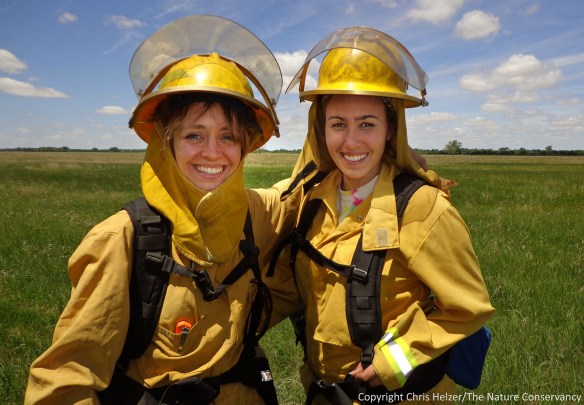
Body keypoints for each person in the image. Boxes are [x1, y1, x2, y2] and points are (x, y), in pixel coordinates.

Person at [24, 15, 302, 405]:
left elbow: (305, 186)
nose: (212, 152)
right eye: (194, 135)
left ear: (245, 146)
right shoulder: (122, 239)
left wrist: (394, 165)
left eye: (227, 136)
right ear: (165, 142)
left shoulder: (254, 211)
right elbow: (65, 385)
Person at [273, 27, 496, 404]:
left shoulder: (422, 206)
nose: (352, 141)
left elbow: (467, 307)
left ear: (391, 128)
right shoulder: (307, 199)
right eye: (338, 124)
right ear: (320, 128)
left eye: (367, 123)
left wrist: (391, 361)